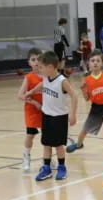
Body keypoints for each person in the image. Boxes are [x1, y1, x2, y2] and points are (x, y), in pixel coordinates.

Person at [24, 51, 78, 181]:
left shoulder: (62, 81)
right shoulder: (45, 78)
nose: (39, 69)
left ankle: (61, 167)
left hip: (59, 117)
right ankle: (47, 168)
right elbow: (42, 85)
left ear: (50, 67)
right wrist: (31, 91)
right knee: (46, 144)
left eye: (41, 67)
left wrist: (73, 114)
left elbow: (74, 95)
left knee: (59, 145)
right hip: (47, 116)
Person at [66, 49, 103, 153]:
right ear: (88, 63)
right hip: (96, 108)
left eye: (98, 61)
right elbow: (86, 99)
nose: (95, 63)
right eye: (92, 60)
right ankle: (79, 144)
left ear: (102, 63)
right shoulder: (87, 80)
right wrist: (83, 89)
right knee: (84, 129)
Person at [17, 48, 43, 172]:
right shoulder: (29, 78)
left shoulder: (48, 76)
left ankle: (47, 159)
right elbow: (20, 95)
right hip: (32, 110)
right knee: (30, 135)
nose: (36, 62)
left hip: (46, 110)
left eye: (38, 59)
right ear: (29, 62)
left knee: (47, 137)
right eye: (33, 60)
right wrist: (33, 102)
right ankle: (26, 157)